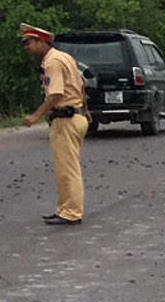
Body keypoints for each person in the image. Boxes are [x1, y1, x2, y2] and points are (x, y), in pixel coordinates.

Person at [19, 22, 88, 226]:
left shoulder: (52, 63)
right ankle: (65, 208)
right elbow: (81, 85)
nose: (27, 48)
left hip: (66, 118)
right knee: (65, 167)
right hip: (76, 116)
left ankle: (71, 212)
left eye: (29, 43)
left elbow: (56, 93)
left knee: (68, 168)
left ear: (41, 41)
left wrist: (35, 115)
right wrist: (86, 111)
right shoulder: (64, 57)